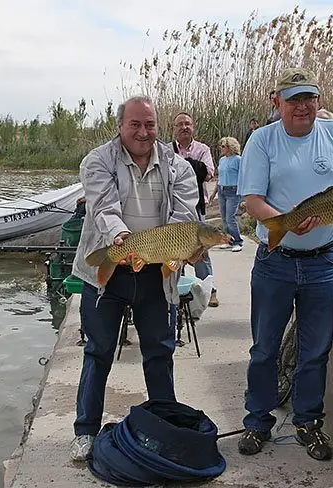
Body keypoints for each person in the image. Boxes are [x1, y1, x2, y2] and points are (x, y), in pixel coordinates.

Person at [236, 67, 333, 461]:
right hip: (275, 260)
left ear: (319, 101)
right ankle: (257, 421)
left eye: (309, 98)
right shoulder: (262, 140)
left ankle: (308, 422)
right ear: (277, 102)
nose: (302, 107)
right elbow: (252, 200)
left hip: (324, 262)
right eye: (293, 99)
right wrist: (285, 226)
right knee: (264, 349)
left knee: (314, 349)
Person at [68, 95, 200, 461]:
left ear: (159, 126)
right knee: (98, 352)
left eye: (150, 124)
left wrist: (185, 247)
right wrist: (122, 242)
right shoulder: (97, 161)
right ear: (120, 126)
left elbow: (183, 220)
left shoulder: (180, 167)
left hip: (157, 273)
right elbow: (104, 209)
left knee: (159, 353)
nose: (144, 132)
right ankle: (84, 431)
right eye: (135, 124)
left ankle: (165, 427)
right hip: (107, 270)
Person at [172, 112, 219, 307]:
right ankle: (175, 287)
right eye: (180, 124)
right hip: (171, 207)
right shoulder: (166, 149)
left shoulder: (203, 148)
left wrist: (181, 166)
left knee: (201, 249)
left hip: (196, 206)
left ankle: (209, 289)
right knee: (174, 249)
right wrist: (194, 167)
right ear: (173, 129)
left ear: (193, 127)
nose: (184, 127)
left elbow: (207, 173)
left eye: (188, 124)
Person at [208, 136, 243, 251]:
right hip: (222, 189)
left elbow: (244, 176)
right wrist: (214, 193)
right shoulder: (222, 160)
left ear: (230, 147)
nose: (221, 148)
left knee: (230, 218)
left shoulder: (238, 159)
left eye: (223, 146)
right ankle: (229, 240)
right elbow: (220, 177)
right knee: (224, 217)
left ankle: (238, 241)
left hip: (233, 190)